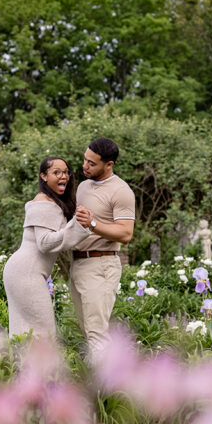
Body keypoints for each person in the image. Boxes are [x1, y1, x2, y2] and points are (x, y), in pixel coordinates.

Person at [3, 157, 91, 338]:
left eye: (66, 172)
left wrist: (77, 226)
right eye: (56, 172)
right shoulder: (44, 202)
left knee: (26, 332)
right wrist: (78, 225)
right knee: (44, 333)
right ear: (43, 176)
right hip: (26, 273)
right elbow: (45, 243)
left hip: (23, 271)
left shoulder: (52, 201)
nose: (63, 176)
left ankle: (21, 366)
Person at [71, 137, 135, 353]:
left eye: (92, 163)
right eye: (85, 160)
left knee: (98, 335)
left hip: (101, 264)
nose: (85, 166)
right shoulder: (83, 186)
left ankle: (108, 386)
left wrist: (93, 224)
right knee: (88, 332)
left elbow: (126, 233)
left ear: (109, 165)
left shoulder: (120, 191)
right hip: (78, 264)